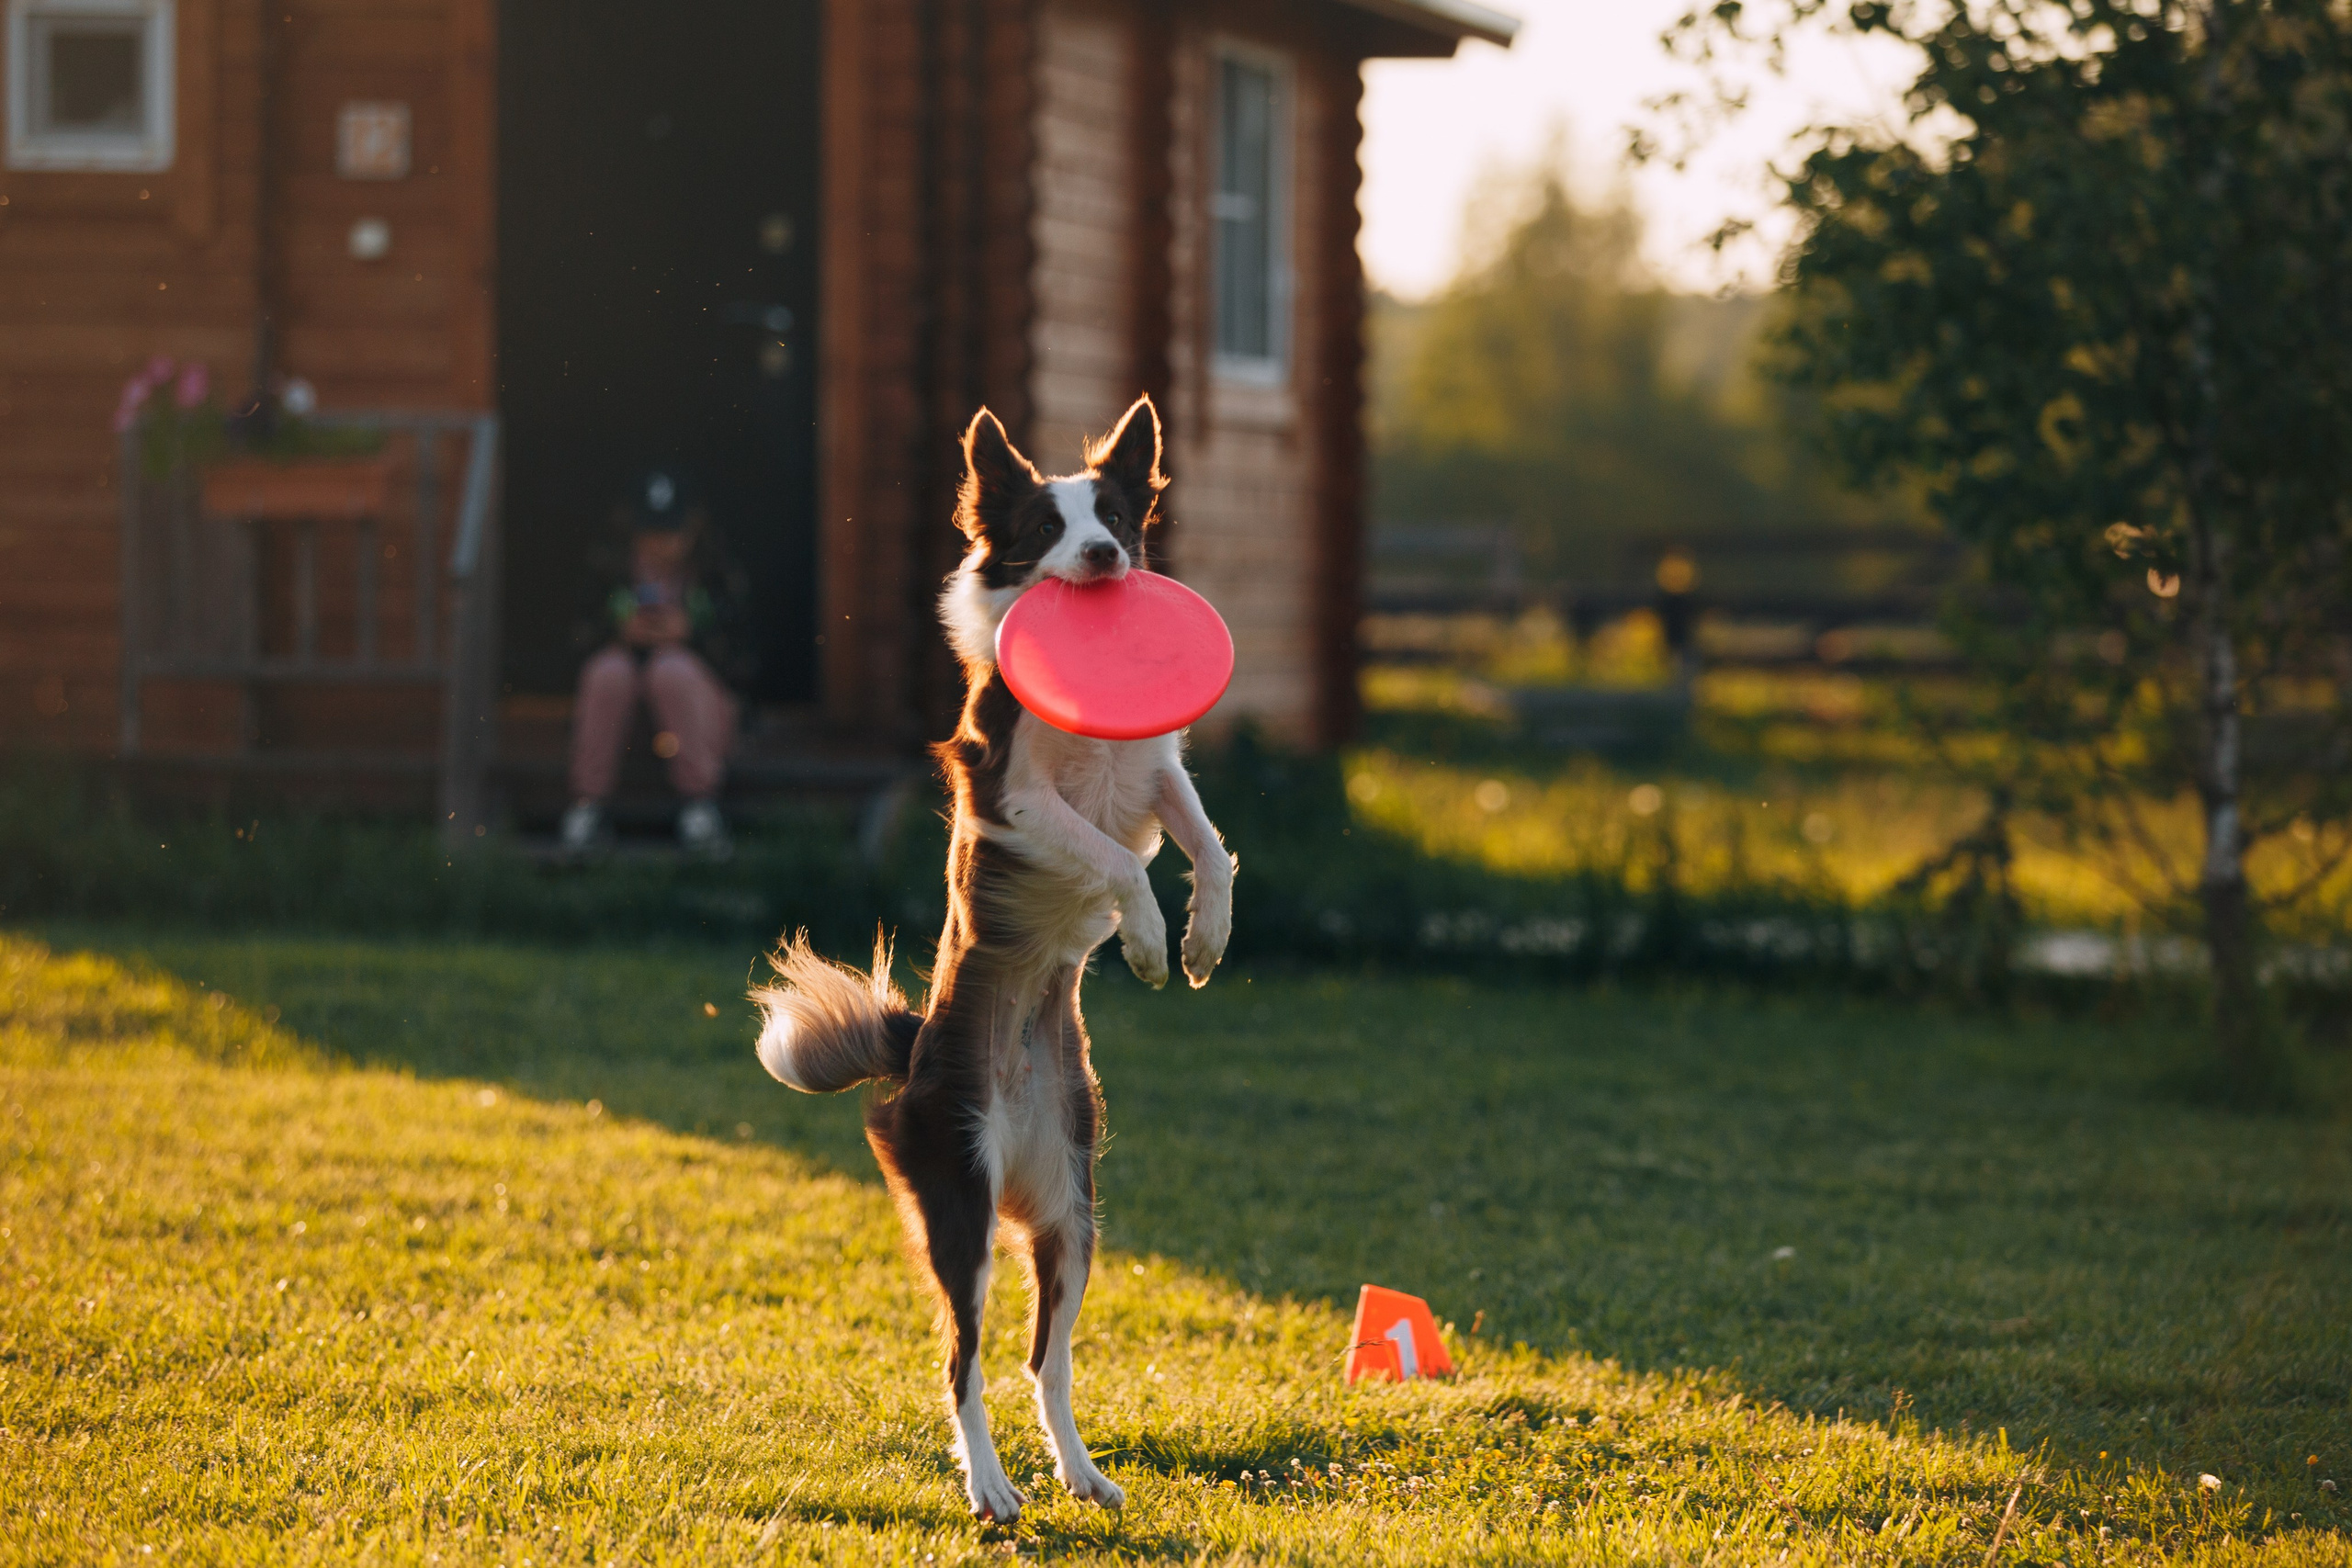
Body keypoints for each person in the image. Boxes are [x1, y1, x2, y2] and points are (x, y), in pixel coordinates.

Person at [559, 469, 744, 860]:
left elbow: (747, 655)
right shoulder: (608, 566)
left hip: (695, 713)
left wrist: (691, 634)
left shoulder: (715, 569)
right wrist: (618, 632)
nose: (660, 544)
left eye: (670, 532)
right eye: (651, 532)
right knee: (608, 672)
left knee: (671, 670)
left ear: (692, 528)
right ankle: (588, 808)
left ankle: (700, 807)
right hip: (627, 717)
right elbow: (575, 639)